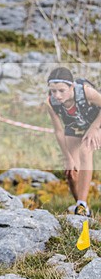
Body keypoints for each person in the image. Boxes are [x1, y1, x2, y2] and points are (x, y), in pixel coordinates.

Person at [45, 66, 101, 217]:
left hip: (97, 122)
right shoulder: (51, 102)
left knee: (85, 150)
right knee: (71, 171)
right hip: (75, 127)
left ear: (71, 86)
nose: (57, 95)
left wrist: (94, 128)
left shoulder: (86, 92)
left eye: (61, 90)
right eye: (53, 91)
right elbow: (58, 131)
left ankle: (81, 203)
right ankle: (82, 208)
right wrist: (67, 157)